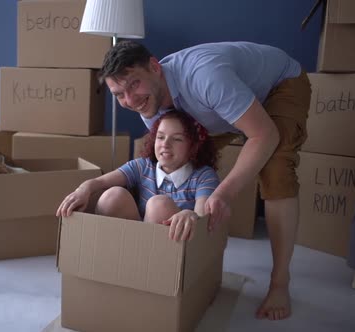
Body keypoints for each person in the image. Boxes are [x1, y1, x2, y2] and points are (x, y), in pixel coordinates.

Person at [97, 40, 311, 321]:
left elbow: (264, 135)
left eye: (134, 84)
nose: (130, 100)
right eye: (119, 94)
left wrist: (224, 193)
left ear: (154, 67)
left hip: (277, 86)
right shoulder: (150, 105)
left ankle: (280, 282)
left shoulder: (205, 77)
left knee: (275, 168)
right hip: (217, 105)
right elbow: (164, 170)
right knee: (177, 156)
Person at [56, 110, 219, 242]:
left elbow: (202, 216)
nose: (165, 144)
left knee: (158, 205)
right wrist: (83, 189)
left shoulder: (203, 176)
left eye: (177, 139)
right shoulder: (142, 166)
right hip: (134, 239)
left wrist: (191, 214)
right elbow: (100, 181)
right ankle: (117, 256)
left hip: (172, 249)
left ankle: (149, 265)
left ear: (194, 147)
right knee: (113, 196)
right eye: (160, 137)